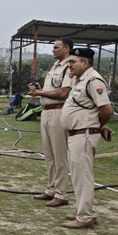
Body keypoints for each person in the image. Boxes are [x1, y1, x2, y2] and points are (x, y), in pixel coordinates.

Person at [60, 48, 113, 229]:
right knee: (77, 175)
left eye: (73, 62)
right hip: (78, 133)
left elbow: (106, 109)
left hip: (84, 135)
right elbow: (88, 108)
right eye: (69, 62)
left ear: (84, 63)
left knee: (82, 177)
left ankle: (85, 217)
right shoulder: (80, 80)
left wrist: (97, 125)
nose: (69, 65)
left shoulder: (93, 80)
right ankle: (83, 211)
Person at [28, 38, 74, 208]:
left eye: (56, 47)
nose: (53, 50)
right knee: (49, 154)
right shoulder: (55, 66)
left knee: (59, 154)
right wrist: (40, 90)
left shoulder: (69, 67)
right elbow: (52, 89)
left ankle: (61, 193)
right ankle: (51, 189)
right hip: (46, 111)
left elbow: (64, 93)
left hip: (58, 111)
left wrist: (39, 93)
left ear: (66, 48)